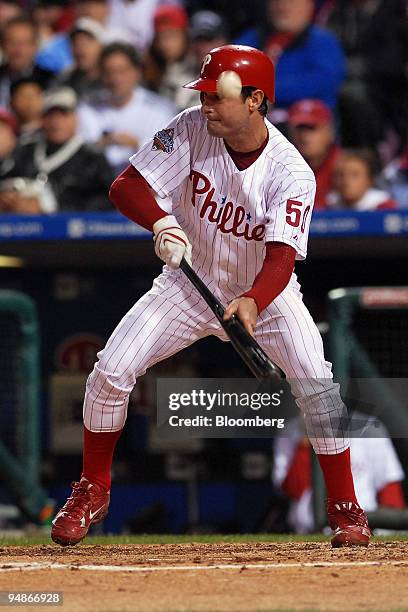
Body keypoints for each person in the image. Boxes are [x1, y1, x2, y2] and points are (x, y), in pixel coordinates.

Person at [51, 44, 371, 548]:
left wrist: (254, 301)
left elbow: (282, 261)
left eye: (216, 97)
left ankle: (345, 507)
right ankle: (93, 489)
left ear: (255, 100)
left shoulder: (292, 171)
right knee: (110, 370)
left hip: (267, 293)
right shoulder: (191, 127)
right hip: (189, 283)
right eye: (202, 95)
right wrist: (161, 221)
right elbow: (126, 187)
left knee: (318, 385)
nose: (205, 105)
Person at [273, 415, 405, 534]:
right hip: (310, 533)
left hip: (363, 529)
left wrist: (391, 535)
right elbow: (294, 490)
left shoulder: (369, 427)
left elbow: (390, 490)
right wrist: (306, 439)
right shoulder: (291, 430)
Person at [0, 87, 113, 213]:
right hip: (20, 227)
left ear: (75, 118)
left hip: (71, 228)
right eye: (50, 116)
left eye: (63, 114)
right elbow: (6, 179)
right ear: (41, 120)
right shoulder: (25, 150)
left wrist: (50, 206)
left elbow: (107, 201)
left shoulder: (92, 157)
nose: (56, 122)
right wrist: (8, 198)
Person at [78, 42, 177, 173]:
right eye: (109, 72)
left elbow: (169, 152)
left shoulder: (160, 109)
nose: (115, 79)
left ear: (136, 72)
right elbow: (81, 149)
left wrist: (136, 144)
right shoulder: (88, 108)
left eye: (121, 71)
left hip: (145, 181)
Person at [235, 0, 345, 111]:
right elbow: (232, 71)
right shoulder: (251, 40)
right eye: (277, 2)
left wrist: (265, 92)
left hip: (302, 120)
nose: (283, 8)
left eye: (291, 2)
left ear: (309, 6)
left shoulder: (323, 43)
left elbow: (321, 83)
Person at [288, 99, 340, 209]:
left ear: (329, 132)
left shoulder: (344, 166)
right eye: (300, 129)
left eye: (312, 128)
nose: (304, 136)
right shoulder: (284, 166)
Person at [0, 16, 55, 108]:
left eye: (24, 43)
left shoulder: (48, 80)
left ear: (35, 46)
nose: (18, 50)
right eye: (11, 42)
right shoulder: (2, 76)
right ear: (2, 45)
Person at [328, 149, 396, 211]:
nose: (346, 180)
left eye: (354, 175)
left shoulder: (384, 206)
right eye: (341, 174)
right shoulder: (330, 204)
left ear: (370, 180)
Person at [57, 17, 104, 102]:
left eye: (87, 41)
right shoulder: (64, 80)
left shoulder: (113, 79)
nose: (80, 48)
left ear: (101, 46)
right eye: (75, 42)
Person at [9, 76, 44, 143]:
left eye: (33, 96)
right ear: (11, 102)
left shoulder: (51, 130)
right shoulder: (7, 134)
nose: (29, 102)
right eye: (23, 97)